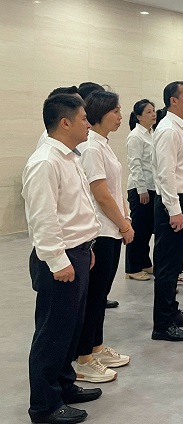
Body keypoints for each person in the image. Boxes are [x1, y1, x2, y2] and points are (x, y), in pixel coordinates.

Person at [22, 93, 102, 424]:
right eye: (84, 118)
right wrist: (59, 261)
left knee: (71, 328)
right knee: (52, 334)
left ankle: (64, 385)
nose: (89, 124)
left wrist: (86, 248)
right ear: (65, 122)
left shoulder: (69, 157)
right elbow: (43, 219)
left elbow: (74, 211)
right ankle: (44, 406)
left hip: (77, 252)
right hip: (60, 259)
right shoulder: (45, 162)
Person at [72, 92, 131, 384]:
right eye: (115, 111)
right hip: (101, 232)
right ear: (100, 113)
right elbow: (101, 194)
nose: (120, 116)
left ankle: (95, 347)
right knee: (94, 297)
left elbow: (115, 190)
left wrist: (124, 219)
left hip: (112, 229)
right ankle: (83, 358)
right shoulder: (92, 147)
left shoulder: (103, 145)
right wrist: (124, 225)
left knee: (101, 294)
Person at [151, 81, 183, 342]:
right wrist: (174, 209)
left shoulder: (180, 128)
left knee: (175, 265)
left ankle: (171, 311)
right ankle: (162, 325)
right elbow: (166, 173)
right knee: (167, 266)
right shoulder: (168, 130)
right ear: (173, 100)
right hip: (175, 202)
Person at [124, 99, 157, 281]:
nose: (153, 114)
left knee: (147, 228)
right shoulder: (136, 136)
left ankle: (144, 261)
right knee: (138, 229)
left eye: (153, 111)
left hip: (152, 186)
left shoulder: (152, 133)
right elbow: (135, 164)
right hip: (140, 189)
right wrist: (141, 189)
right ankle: (132, 267)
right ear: (138, 116)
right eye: (148, 112)